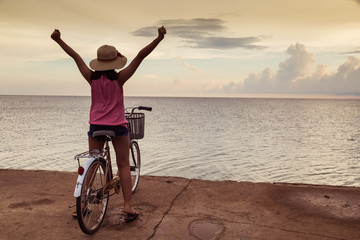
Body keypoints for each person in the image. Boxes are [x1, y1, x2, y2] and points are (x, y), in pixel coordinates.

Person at [51, 26, 166, 221]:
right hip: (118, 127)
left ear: (97, 63)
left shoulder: (91, 78)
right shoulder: (119, 79)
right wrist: (158, 38)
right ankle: (128, 206)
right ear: (115, 63)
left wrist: (58, 40)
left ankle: (83, 203)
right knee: (123, 165)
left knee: (92, 164)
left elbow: (75, 57)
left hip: (96, 126)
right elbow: (140, 56)